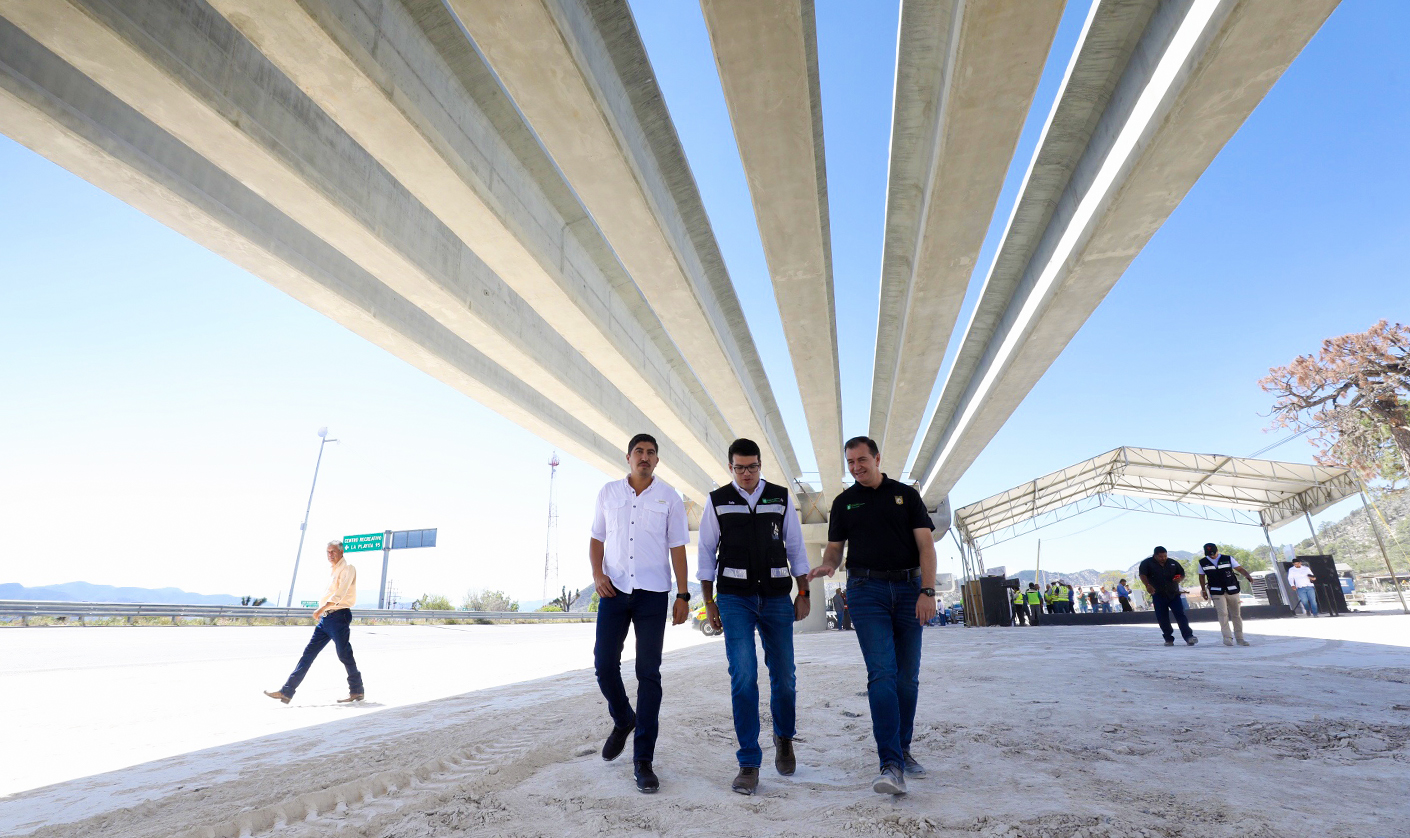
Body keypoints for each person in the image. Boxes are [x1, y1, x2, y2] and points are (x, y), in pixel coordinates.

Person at [808, 436, 936, 796]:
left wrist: (928, 591)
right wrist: (827, 566)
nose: (856, 467)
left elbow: (926, 545)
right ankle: (891, 763)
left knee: (906, 678)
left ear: (877, 458)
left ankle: (904, 748)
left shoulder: (905, 496)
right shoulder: (844, 503)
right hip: (866, 592)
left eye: (862, 460)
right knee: (882, 674)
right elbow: (835, 549)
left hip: (910, 590)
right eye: (850, 462)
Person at [697, 438, 810, 795]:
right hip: (733, 598)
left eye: (753, 467)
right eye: (740, 467)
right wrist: (708, 601)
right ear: (730, 467)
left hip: (777, 596)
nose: (747, 473)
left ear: (761, 465)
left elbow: (795, 545)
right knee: (744, 674)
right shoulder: (717, 501)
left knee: (785, 677)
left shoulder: (779, 497)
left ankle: (784, 738)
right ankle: (748, 761)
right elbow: (704, 552)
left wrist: (803, 590)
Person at [589, 433, 691, 793]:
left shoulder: (669, 498)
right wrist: (598, 574)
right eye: (639, 452)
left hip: (653, 594)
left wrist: (683, 594)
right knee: (603, 665)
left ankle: (643, 760)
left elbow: (678, 546)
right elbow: (597, 539)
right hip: (614, 591)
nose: (644, 457)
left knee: (648, 673)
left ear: (657, 461)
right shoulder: (608, 493)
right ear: (628, 457)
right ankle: (623, 718)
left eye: (650, 453)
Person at [264, 541, 364, 704]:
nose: (330, 555)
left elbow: (339, 595)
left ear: (341, 551)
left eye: (333, 551)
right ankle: (286, 691)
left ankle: (357, 690)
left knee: (344, 655)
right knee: (308, 654)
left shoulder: (348, 568)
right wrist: (323, 612)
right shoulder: (333, 571)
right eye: (328, 552)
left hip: (339, 617)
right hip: (326, 619)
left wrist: (320, 609)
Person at [1197, 542, 1255, 646]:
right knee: (1223, 614)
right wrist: (1203, 591)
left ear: (1217, 551)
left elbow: (1239, 568)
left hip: (1232, 590)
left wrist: (1247, 575)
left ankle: (1240, 638)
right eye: (1209, 554)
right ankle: (1227, 637)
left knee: (1236, 615)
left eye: (1213, 553)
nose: (1212, 555)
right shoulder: (1202, 562)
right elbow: (1201, 577)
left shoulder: (1228, 558)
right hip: (1216, 591)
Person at [1139, 547, 1196, 646]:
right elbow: (1142, 575)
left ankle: (1188, 637)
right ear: (1155, 555)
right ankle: (1168, 638)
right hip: (1158, 595)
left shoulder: (1172, 563)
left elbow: (1181, 574)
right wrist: (1147, 585)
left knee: (1180, 616)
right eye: (1161, 557)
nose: (1163, 558)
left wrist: (1179, 579)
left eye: (1165, 556)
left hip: (1174, 594)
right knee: (1162, 618)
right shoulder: (1147, 563)